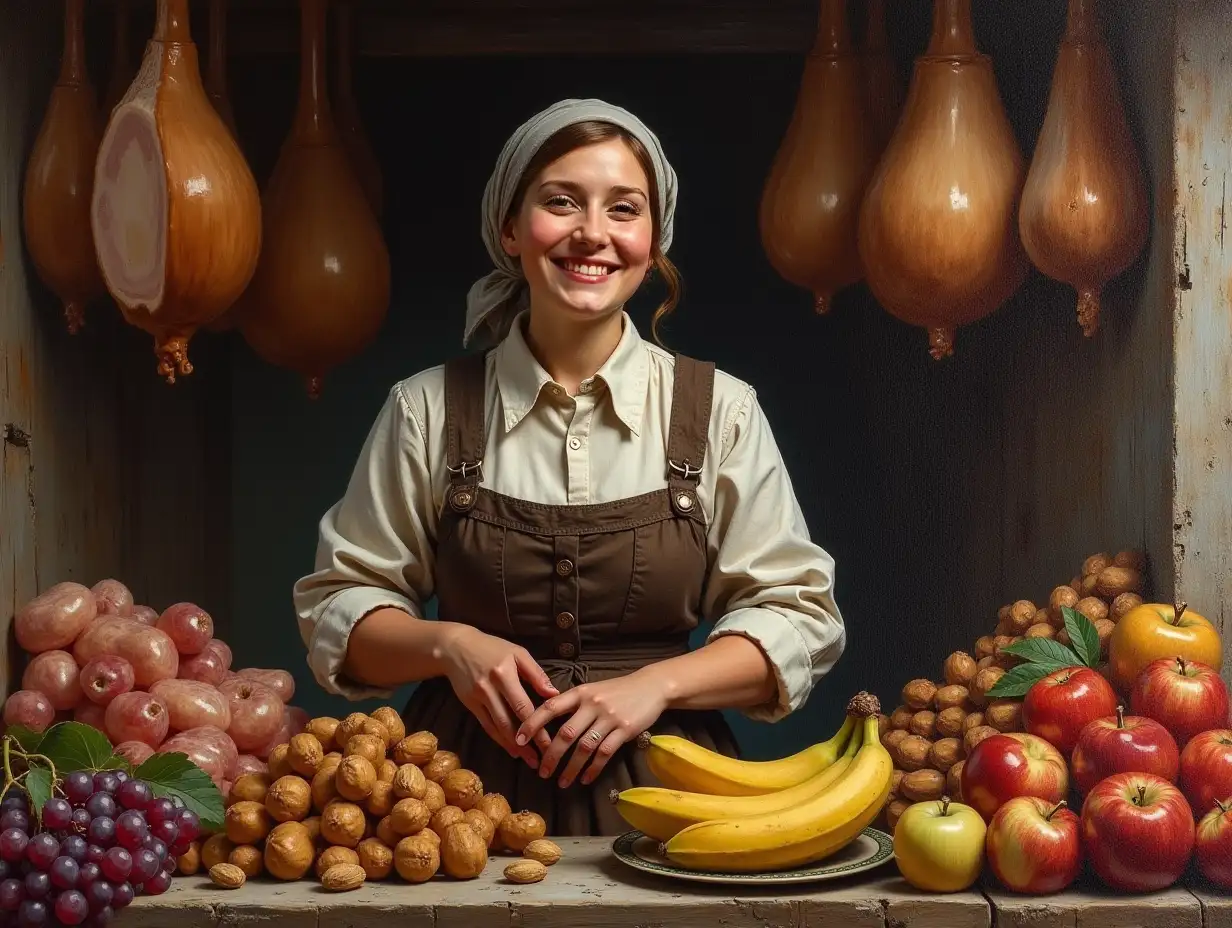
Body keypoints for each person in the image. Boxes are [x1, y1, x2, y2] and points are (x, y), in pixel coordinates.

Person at [293, 98, 845, 836]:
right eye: (561, 202)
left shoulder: (722, 410)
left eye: (624, 209)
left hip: (669, 805)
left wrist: (657, 685)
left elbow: (799, 618)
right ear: (511, 230)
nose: (593, 233)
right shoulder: (424, 408)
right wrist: (449, 644)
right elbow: (339, 610)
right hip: (449, 808)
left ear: (654, 240)